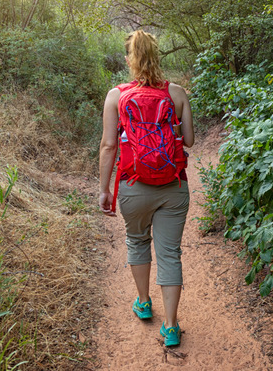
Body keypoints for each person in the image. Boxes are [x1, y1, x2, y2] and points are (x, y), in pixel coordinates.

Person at [98, 30, 194, 347]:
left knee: (137, 241)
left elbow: (109, 146)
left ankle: (143, 302)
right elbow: (190, 140)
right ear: (157, 57)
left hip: (132, 186)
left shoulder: (116, 96)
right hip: (173, 186)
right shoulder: (177, 93)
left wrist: (104, 190)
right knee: (169, 254)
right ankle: (170, 326)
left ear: (130, 60)